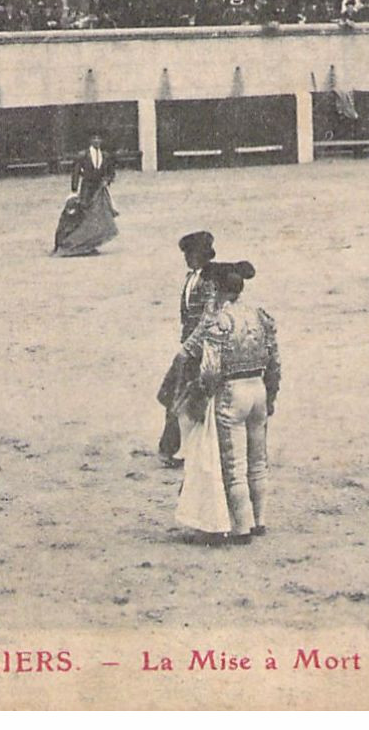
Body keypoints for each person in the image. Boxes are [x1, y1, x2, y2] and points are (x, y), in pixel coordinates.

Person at [170, 267, 280, 543]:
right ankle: (260, 521)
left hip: (232, 393)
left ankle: (242, 528)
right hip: (259, 390)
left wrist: (202, 395)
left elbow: (209, 369)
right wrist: (272, 396)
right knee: (258, 460)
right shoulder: (260, 315)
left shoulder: (221, 320)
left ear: (219, 290)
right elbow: (275, 362)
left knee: (233, 465)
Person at [156, 231, 225, 467]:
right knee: (178, 394)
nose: (186, 258)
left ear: (201, 255)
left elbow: (208, 319)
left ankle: (180, 449)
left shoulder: (209, 282)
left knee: (187, 397)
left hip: (200, 348)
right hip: (190, 344)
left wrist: (189, 347)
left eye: (190, 254)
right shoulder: (193, 277)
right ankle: (173, 447)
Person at [51, 131, 118, 256]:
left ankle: (90, 244)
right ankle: (75, 243)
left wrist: (106, 180)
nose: (97, 141)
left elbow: (111, 172)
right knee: (83, 215)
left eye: (99, 138)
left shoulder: (105, 155)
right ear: (90, 140)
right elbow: (76, 173)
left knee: (97, 217)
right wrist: (74, 190)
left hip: (99, 190)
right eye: (94, 138)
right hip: (87, 188)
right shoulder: (82, 155)